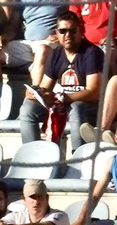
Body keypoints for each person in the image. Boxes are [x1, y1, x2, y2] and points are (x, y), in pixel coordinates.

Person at [20, 10, 104, 145]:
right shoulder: (56, 53)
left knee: (76, 108)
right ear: (57, 33)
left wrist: (63, 98)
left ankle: (78, 154)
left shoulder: (92, 53)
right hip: (62, 103)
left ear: (81, 31)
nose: (67, 35)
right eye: (63, 31)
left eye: (72, 31)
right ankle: (32, 152)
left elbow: (94, 93)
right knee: (28, 109)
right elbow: (45, 86)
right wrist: (36, 93)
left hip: (91, 107)